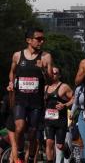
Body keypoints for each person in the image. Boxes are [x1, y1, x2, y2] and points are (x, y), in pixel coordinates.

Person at [7, 27, 53, 163]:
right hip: (20, 99)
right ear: (29, 40)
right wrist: (11, 83)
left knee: (33, 134)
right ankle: (20, 154)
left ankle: (31, 156)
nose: (41, 41)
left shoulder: (46, 57)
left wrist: (43, 69)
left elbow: (50, 81)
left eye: (43, 39)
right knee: (19, 127)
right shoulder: (17, 55)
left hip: (36, 101)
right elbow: (12, 72)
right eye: (38, 39)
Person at [44, 67, 74, 163]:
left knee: (59, 146)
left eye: (55, 73)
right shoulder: (45, 87)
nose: (53, 74)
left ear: (59, 75)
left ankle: (66, 149)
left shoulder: (64, 87)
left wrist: (64, 105)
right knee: (49, 143)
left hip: (60, 120)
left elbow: (74, 98)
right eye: (51, 73)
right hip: (48, 120)